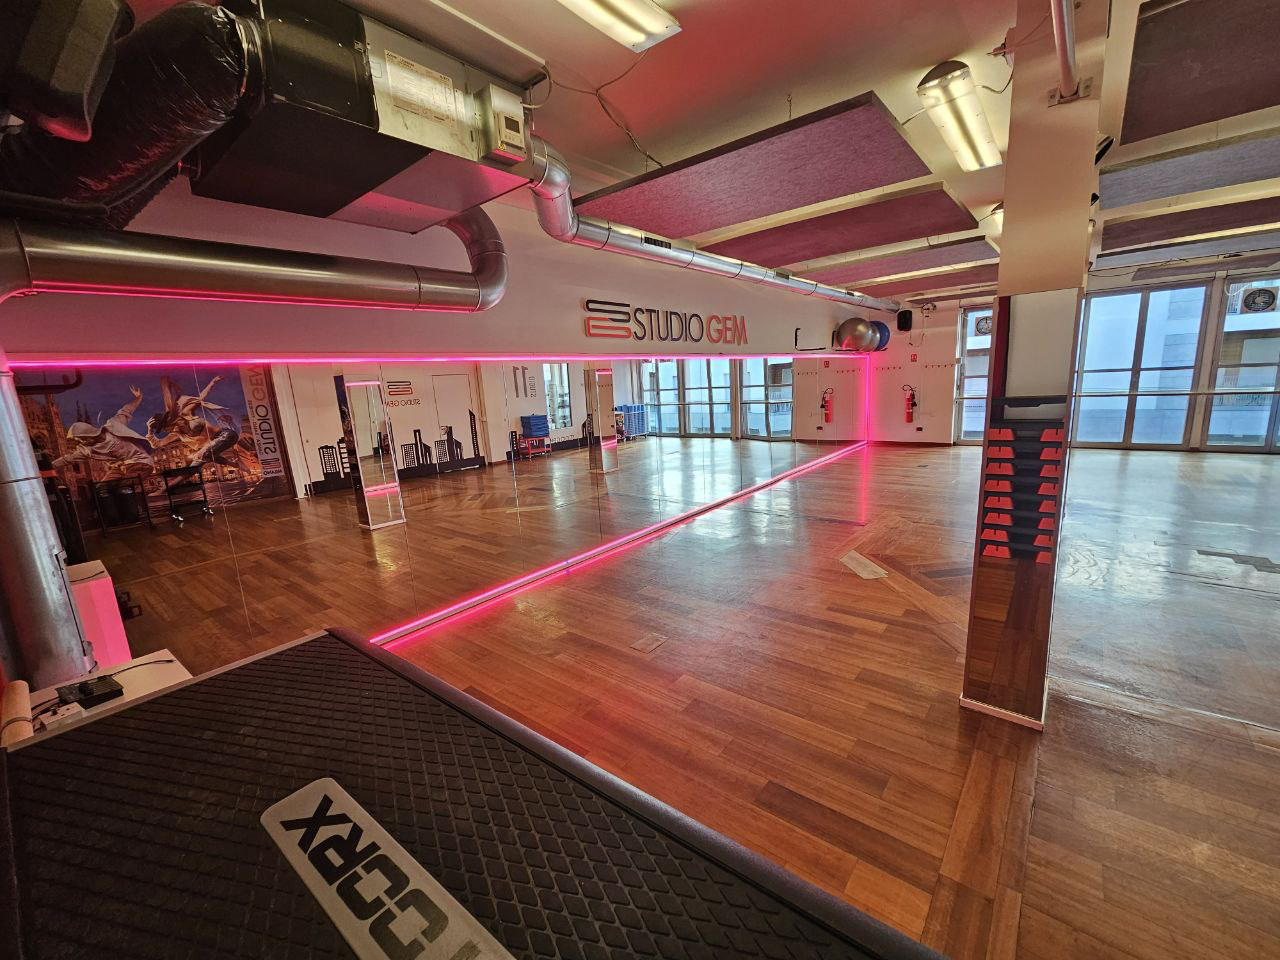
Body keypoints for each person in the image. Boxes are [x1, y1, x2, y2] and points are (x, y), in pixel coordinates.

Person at [54, 385, 155, 478]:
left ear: (88, 434)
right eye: (79, 440)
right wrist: (50, 465)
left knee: (127, 486)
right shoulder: (88, 449)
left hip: (140, 462)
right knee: (103, 489)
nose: (81, 442)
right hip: (120, 466)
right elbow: (68, 459)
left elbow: (126, 410)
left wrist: (138, 398)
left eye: (82, 439)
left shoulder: (113, 425)